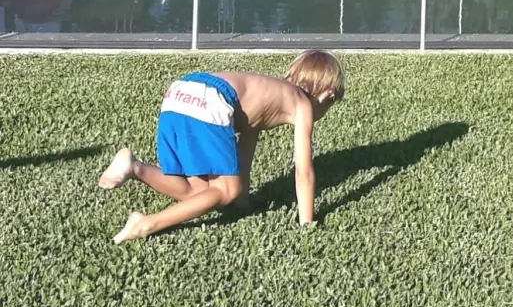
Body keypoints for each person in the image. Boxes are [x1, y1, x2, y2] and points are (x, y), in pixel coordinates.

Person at [97, 49, 345, 242]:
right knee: (227, 191)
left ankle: (135, 167)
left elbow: (244, 151)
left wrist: (243, 203)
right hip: (213, 99)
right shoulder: (302, 104)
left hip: (180, 91)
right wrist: (307, 223)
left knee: (198, 193)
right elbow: (304, 171)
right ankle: (146, 224)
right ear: (326, 96)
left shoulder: (271, 93)